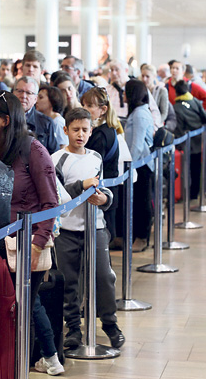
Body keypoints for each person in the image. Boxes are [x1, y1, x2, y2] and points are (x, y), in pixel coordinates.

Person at [0, 89, 58, 362]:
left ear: (6, 119)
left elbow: (51, 202)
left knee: (24, 311)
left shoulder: (33, 149)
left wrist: (38, 244)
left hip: (24, 247)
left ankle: (26, 363)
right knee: (0, 313)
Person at [52, 108, 125, 350]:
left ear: (91, 131)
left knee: (104, 277)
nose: (80, 134)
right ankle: (73, 326)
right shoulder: (56, 159)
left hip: (96, 227)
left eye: (85, 130)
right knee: (69, 280)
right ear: (66, 130)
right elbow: (57, 195)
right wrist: (80, 186)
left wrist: (105, 200)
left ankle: (110, 323)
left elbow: (102, 188)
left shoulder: (95, 157)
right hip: (67, 231)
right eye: (75, 130)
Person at [82, 87, 122, 244]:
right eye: (84, 105)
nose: (85, 109)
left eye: (90, 106)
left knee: (101, 240)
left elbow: (92, 165)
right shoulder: (106, 129)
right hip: (106, 192)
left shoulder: (101, 134)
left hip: (103, 194)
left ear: (103, 109)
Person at [124, 80, 155, 249]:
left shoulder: (140, 114)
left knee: (142, 201)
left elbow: (137, 144)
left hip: (141, 165)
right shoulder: (137, 112)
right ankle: (136, 235)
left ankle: (142, 237)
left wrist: (129, 166)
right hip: (138, 164)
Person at [173, 80, 206, 201]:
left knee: (186, 168)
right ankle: (195, 192)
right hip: (198, 139)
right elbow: (205, 118)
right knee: (196, 167)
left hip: (186, 142)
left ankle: (187, 193)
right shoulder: (195, 101)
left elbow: (178, 127)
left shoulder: (177, 107)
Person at [13, 76, 59, 153]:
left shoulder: (46, 123)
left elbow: (54, 154)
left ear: (35, 99)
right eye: (20, 91)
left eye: (28, 93)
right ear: (13, 93)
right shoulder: (3, 118)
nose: (23, 96)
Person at [36, 85, 68, 149]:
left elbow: (63, 147)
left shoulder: (58, 122)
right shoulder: (43, 120)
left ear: (52, 100)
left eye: (41, 97)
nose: (36, 100)